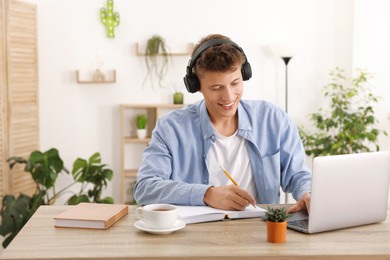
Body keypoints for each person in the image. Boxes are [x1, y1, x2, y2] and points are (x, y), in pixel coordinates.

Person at [134, 34, 311, 214]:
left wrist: (307, 193)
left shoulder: (274, 120)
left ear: (244, 74)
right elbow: (146, 188)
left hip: (261, 232)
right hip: (194, 236)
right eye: (216, 88)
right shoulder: (170, 128)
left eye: (235, 83)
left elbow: (298, 175)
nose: (228, 97)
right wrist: (206, 194)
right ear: (196, 86)